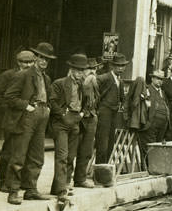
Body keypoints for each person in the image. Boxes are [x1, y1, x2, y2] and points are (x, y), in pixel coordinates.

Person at [2, 42, 55, 204]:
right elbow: (9, 96)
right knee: (19, 155)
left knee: (37, 155)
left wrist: (48, 109)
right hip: (27, 116)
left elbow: (50, 96)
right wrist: (27, 106)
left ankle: (31, 190)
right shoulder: (23, 75)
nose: (44, 61)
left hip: (41, 115)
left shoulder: (46, 78)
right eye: (41, 57)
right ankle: (13, 191)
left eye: (47, 59)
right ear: (35, 57)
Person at [0, 49, 35, 192]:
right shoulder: (8, 76)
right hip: (11, 119)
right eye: (24, 62)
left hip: (27, 119)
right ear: (18, 62)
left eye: (30, 62)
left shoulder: (33, 77)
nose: (27, 65)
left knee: (22, 153)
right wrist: (12, 111)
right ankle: (3, 182)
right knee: (9, 151)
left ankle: (16, 181)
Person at [48, 54, 89, 197]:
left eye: (82, 70)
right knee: (62, 156)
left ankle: (64, 184)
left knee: (71, 156)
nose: (80, 73)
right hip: (61, 123)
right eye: (77, 70)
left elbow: (86, 102)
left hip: (75, 121)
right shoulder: (59, 83)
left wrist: (82, 114)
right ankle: (60, 190)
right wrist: (62, 115)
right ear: (71, 69)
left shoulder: (83, 85)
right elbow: (52, 101)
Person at [132, 69, 171, 166]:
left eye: (161, 79)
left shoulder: (163, 92)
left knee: (157, 148)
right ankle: (147, 169)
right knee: (149, 148)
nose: (160, 81)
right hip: (150, 125)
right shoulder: (147, 90)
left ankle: (153, 168)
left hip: (162, 126)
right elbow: (141, 106)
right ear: (152, 78)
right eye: (158, 78)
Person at [96, 53, 128, 164]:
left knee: (110, 143)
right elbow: (95, 85)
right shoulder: (105, 77)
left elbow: (122, 98)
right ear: (113, 66)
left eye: (122, 66)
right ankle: (99, 169)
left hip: (114, 114)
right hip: (104, 113)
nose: (120, 68)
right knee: (102, 144)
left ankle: (105, 168)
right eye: (118, 66)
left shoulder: (120, 81)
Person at [72, 58, 99, 189]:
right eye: (89, 69)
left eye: (94, 69)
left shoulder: (94, 82)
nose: (92, 72)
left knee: (86, 150)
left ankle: (80, 179)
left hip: (91, 117)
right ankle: (65, 181)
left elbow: (97, 100)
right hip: (79, 118)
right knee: (71, 150)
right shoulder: (77, 84)